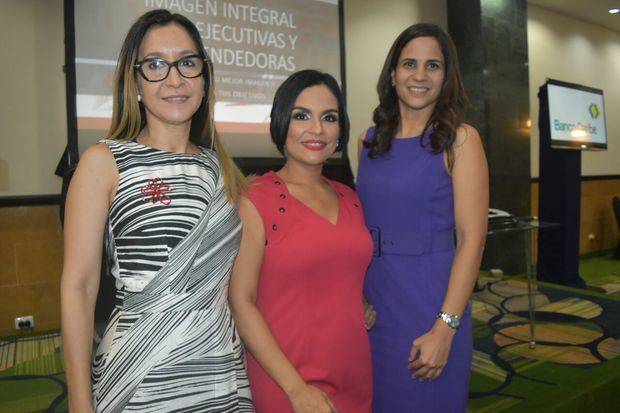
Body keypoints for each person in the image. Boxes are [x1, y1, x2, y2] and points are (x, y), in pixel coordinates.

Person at [60, 10, 252, 412]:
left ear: (204, 75)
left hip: (220, 376)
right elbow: (78, 287)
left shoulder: (223, 170)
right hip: (140, 380)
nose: (174, 78)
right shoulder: (104, 161)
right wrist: (80, 404)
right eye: (155, 65)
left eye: (187, 62)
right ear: (135, 82)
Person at [356, 23, 489, 412]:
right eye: (409, 63)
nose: (419, 75)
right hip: (375, 305)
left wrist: (446, 326)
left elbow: (472, 239)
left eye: (433, 65)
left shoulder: (461, 140)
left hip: (430, 301)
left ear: (446, 77)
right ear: (393, 73)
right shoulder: (367, 141)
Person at [229, 69, 373, 413]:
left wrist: (362, 303)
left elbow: (338, 271)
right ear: (282, 123)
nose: (317, 129)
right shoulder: (256, 198)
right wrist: (296, 389)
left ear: (340, 130)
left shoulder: (350, 198)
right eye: (301, 116)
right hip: (287, 382)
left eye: (329, 118)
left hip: (354, 373)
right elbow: (240, 301)